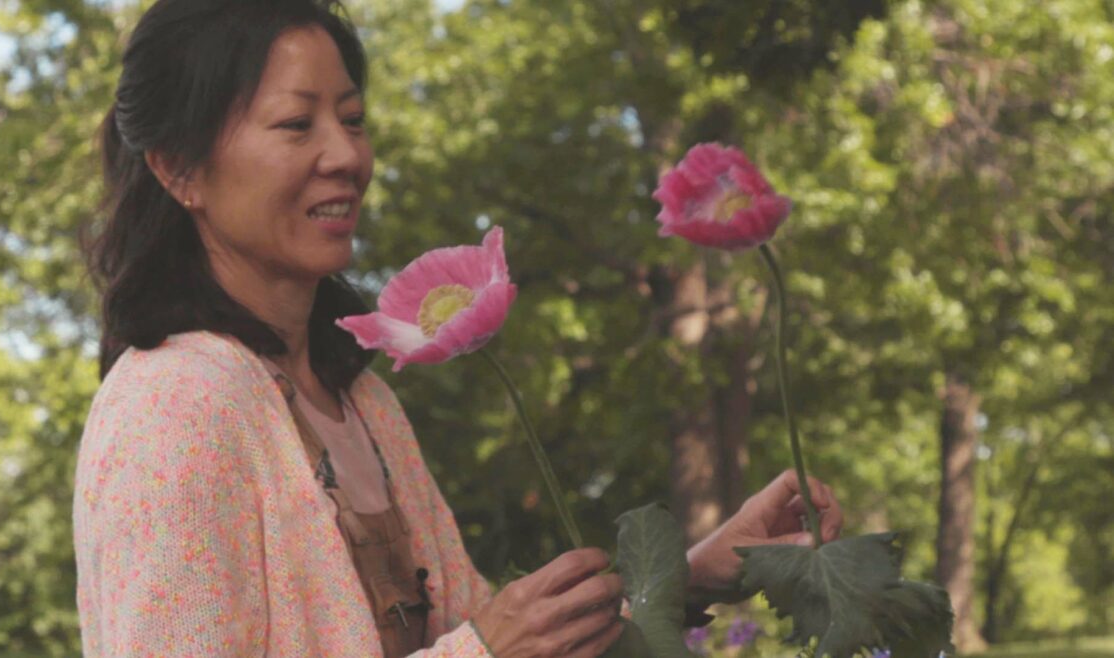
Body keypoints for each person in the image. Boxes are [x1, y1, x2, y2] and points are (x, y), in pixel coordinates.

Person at [73, 0, 844, 656]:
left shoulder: (363, 404)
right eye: (295, 124)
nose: (346, 155)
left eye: (352, 119)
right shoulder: (174, 406)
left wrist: (697, 573)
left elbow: (503, 636)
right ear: (177, 169)